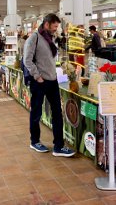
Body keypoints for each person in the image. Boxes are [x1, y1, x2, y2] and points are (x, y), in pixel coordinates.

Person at [23, 13, 76, 157]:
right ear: (46, 24)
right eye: (54, 26)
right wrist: (37, 76)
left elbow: (50, 60)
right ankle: (34, 141)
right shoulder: (34, 38)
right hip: (39, 82)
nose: (56, 29)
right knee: (36, 113)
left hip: (53, 81)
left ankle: (58, 146)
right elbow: (27, 60)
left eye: (57, 27)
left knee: (57, 113)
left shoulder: (51, 38)